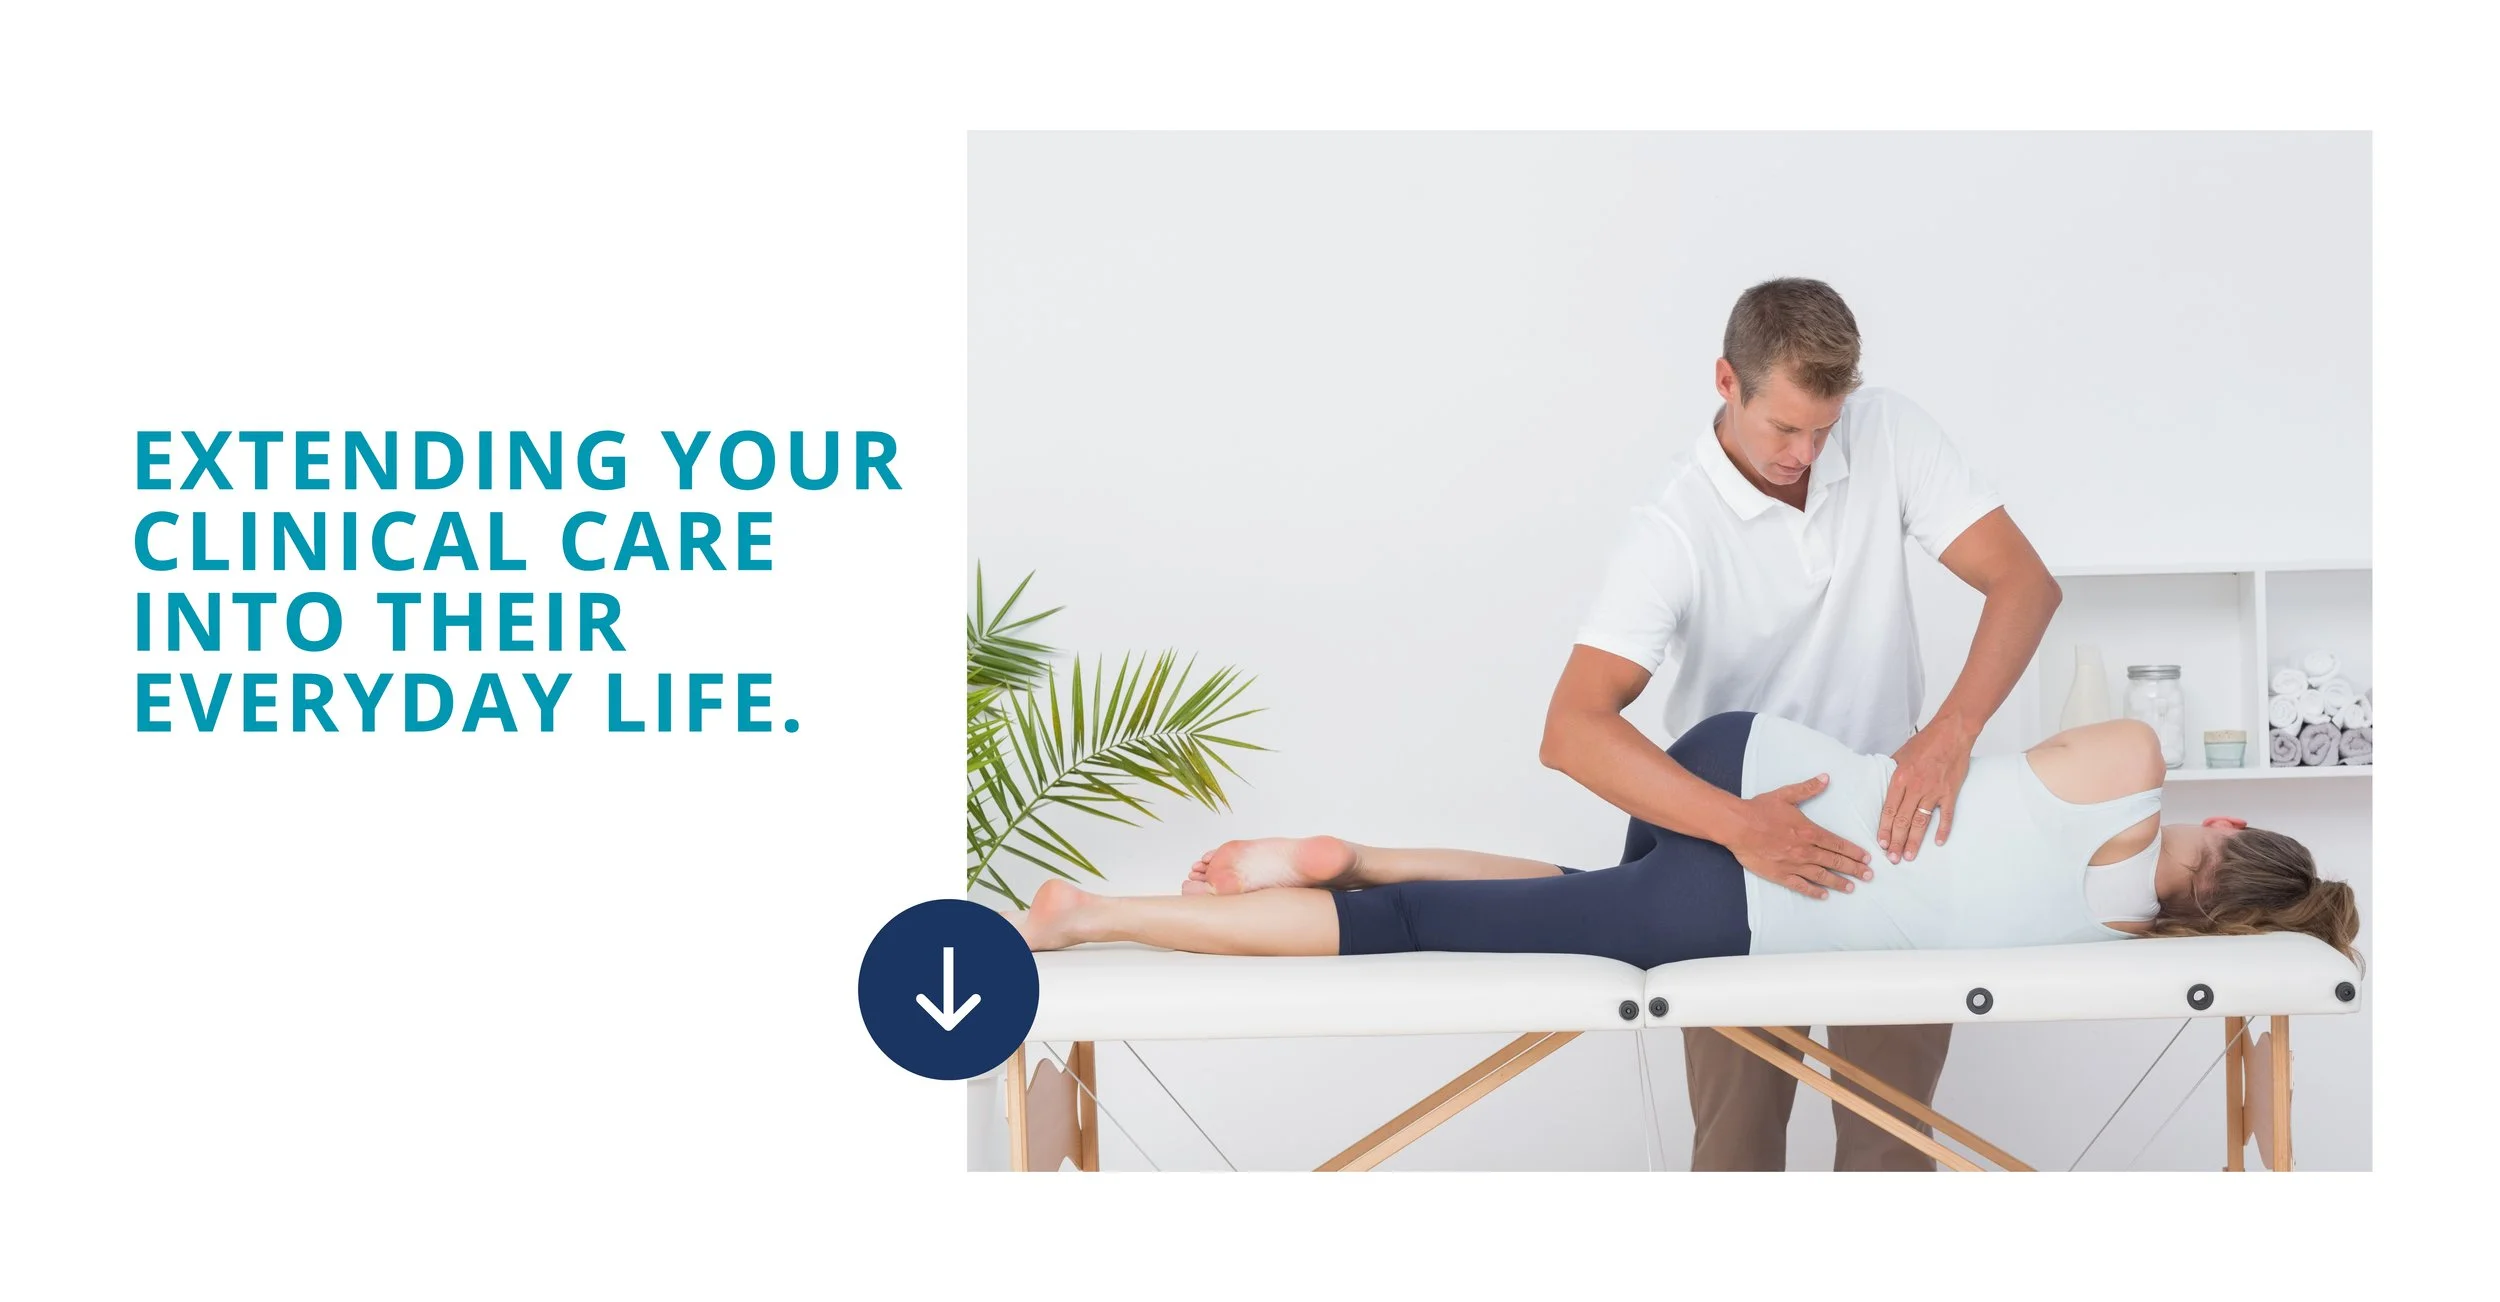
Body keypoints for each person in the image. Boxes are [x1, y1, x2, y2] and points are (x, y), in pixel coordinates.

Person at [1538, 277, 2064, 1170]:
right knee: (1737, 1153)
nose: (1806, 453)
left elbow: (2024, 583)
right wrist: (1740, 827)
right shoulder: (1673, 528)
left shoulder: (1888, 433)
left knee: (1891, 1146)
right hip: (1734, 852)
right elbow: (1572, 729)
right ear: (1725, 381)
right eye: (1784, 428)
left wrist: (1950, 734)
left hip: (1888, 838)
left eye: (1824, 428)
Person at [1015, 712, 2362, 976]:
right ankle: (1096, 914)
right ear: (2222, 920)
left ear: (2226, 825)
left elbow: (1980, 756)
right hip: (1732, 920)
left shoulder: (2131, 761)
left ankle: (1353, 852)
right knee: (1422, 932)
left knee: (1595, 889)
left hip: (1746, 768)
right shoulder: (2122, 942)